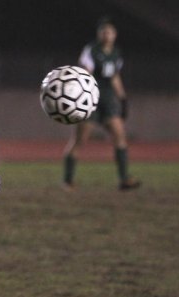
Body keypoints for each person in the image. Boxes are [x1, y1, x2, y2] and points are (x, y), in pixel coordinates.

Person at [63, 18, 141, 191]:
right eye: (103, 31)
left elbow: (114, 76)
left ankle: (124, 179)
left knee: (120, 136)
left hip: (108, 100)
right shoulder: (91, 50)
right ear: (99, 34)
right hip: (90, 100)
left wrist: (123, 98)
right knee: (79, 140)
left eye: (110, 32)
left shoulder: (116, 53)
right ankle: (68, 180)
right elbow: (85, 72)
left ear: (115, 34)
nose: (107, 35)